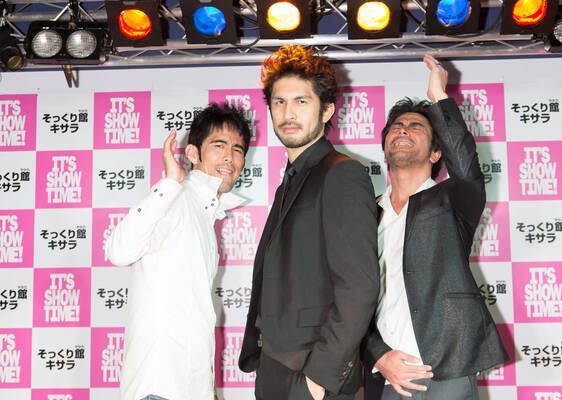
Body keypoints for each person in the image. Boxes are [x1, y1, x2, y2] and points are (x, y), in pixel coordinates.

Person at [361, 55, 509, 400]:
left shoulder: (454, 200)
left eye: (416, 127)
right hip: (386, 375)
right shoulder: (363, 215)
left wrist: (439, 97)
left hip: (447, 369)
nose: (403, 129)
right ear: (384, 151)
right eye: (397, 126)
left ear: (435, 154)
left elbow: (466, 164)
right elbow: (350, 297)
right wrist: (377, 355)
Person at [238, 45, 380, 400]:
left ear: (327, 109)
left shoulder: (342, 174)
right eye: (279, 102)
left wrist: (318, 380)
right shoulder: (292, 180)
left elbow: (359, 287)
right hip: (275, 366)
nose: (288, 113)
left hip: (312, 374)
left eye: (301, 101)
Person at [106, 104, 251, 400]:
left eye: (237, 149)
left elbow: (194, 315)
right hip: (159, 388)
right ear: (193, 153)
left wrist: (206, 390)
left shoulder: (205, 214)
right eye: (219, 145)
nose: (229, 156)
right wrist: (170, 182)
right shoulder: (176, 198)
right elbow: (119, 251)